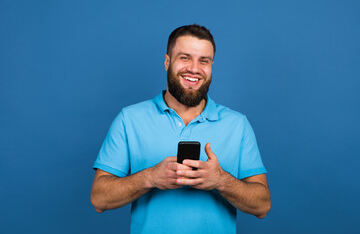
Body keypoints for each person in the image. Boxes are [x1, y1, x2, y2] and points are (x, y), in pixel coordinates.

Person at [91, 24, 271, 234]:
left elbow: (262, 206)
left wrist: (221, 180)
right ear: (167, 62)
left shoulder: (238, 125)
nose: (194, 69)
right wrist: (150, 177)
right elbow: (99, 199)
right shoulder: (129, 119)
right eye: (185, 58)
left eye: (204, 61)